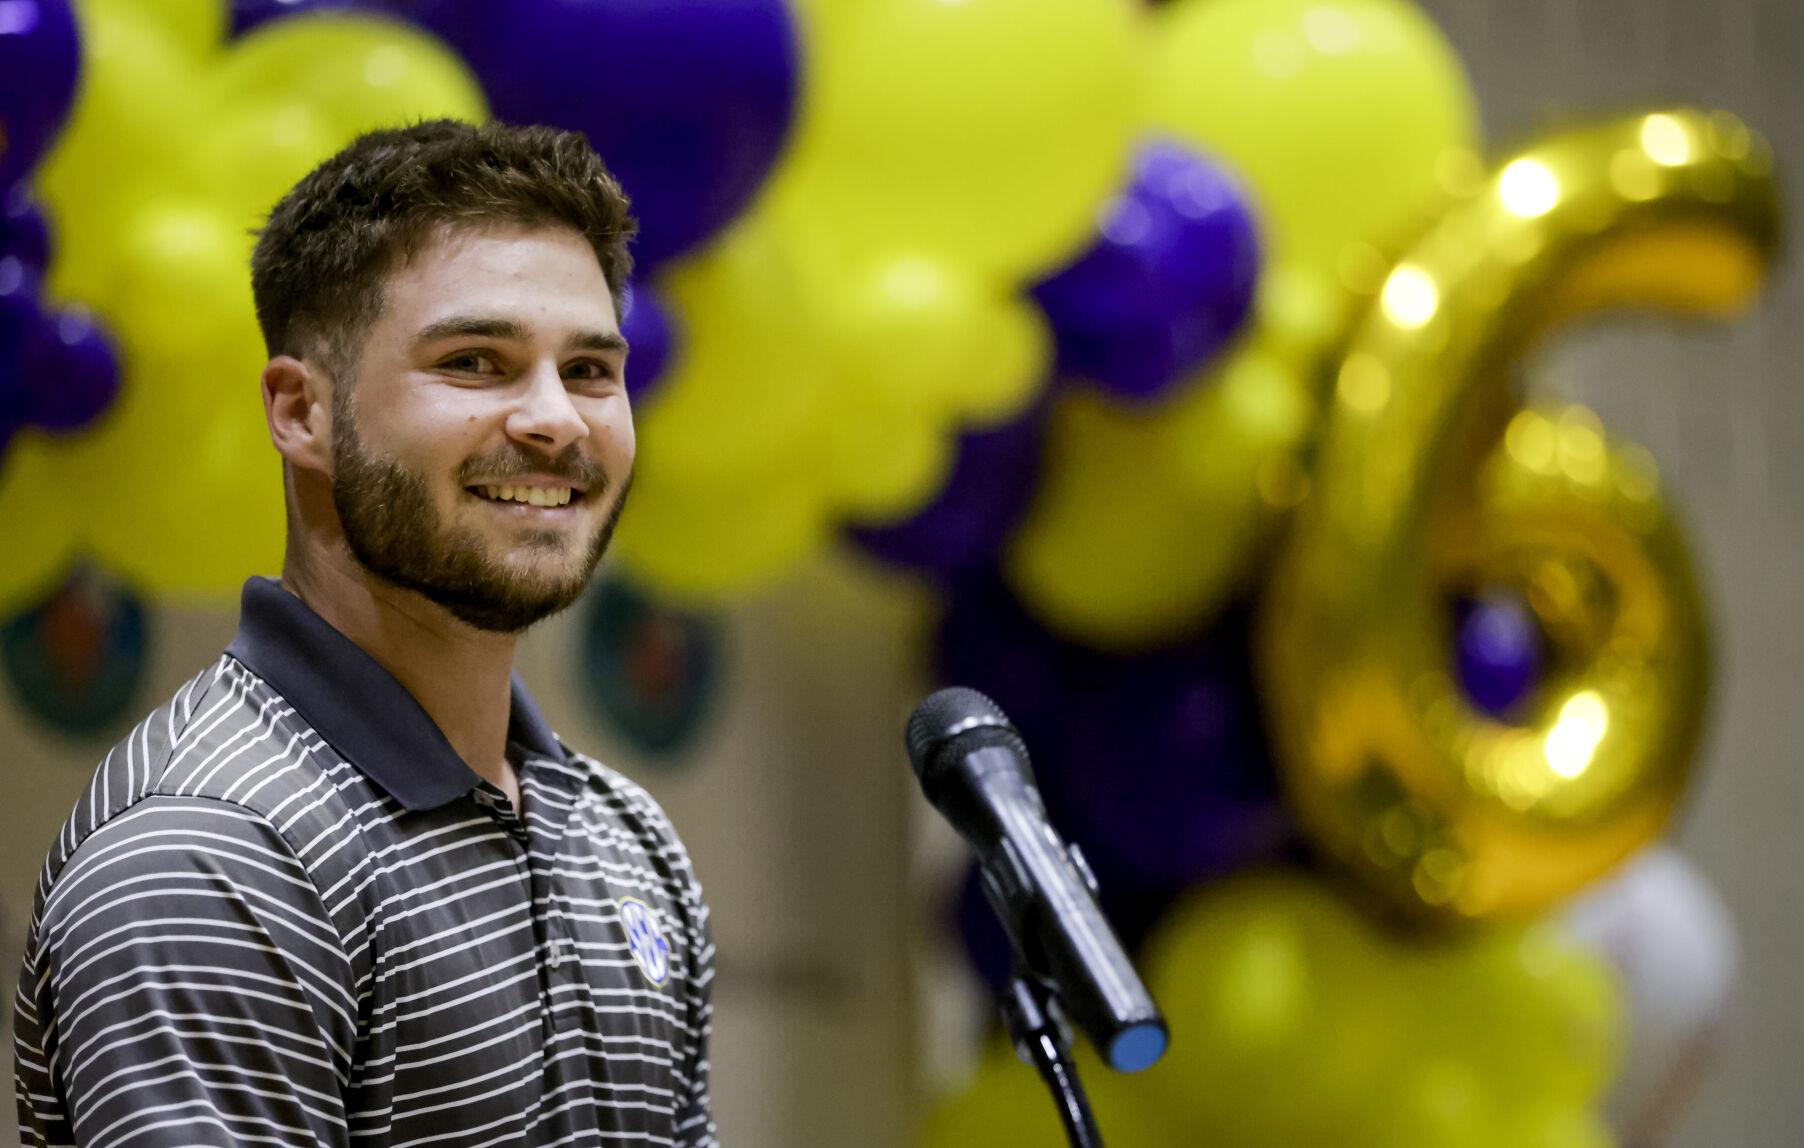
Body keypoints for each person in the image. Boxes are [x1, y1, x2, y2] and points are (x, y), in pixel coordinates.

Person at [12, 120, 716, 1147]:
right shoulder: (207, 859)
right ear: (300, 410)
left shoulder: (627, 839)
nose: (556, 419)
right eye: (476, 361)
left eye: (592, 370)